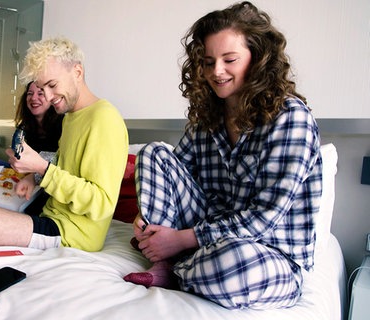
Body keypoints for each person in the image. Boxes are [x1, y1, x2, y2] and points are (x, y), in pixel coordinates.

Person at [123, 1, 322, 310]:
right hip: (203, 237)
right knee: (155, 153)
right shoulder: (206, 117)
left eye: (230, 59)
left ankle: (174, 267)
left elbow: (264, 218)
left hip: (266, 254)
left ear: (258, 58)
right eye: (208, 61)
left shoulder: (291, 118)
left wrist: (180, 240)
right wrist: (147, 215)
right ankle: (167, 260)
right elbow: (177, 176)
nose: (217, 71)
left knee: (234, 267)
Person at [0, 37, 129, 252]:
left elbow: (101, 204)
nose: (49, 96)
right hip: (48, 215)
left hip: (68, 232)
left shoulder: (104, 118)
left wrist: (41, 168)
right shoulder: (72, 117)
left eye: (52, 85)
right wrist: (33, 176)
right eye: (43, 88)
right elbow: (65, 169)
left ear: (78, 72)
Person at [0, 81, 64, 173]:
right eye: (30, 93)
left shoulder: (63, 123)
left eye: (40, 93)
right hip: (27, 171)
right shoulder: (24, 126)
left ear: (51, 98)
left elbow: (62, 164)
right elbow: (18, 156)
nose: (33, 98)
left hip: (50, 174)